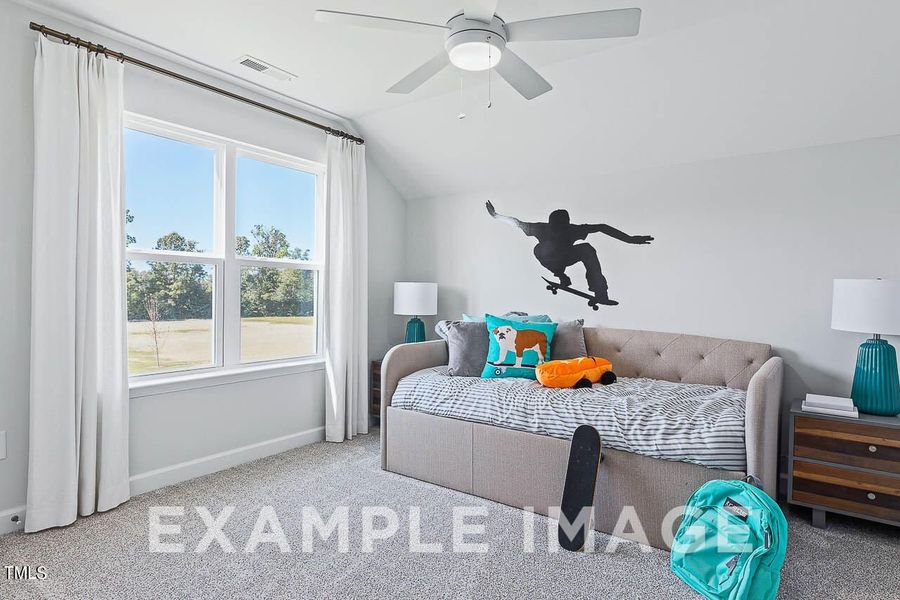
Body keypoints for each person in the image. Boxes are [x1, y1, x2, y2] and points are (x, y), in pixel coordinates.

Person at [485, 201, 653, 304]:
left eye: (562, 227)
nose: (559, 230)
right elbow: (516, 222)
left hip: (558, 258)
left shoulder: (549, 228)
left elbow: (516, 223)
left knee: (586, 249)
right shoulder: (551, 228)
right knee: (547, 249)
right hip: (549, 258)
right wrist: (496, 216)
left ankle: (594, 287)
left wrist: (630, 239)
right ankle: (563, 276)